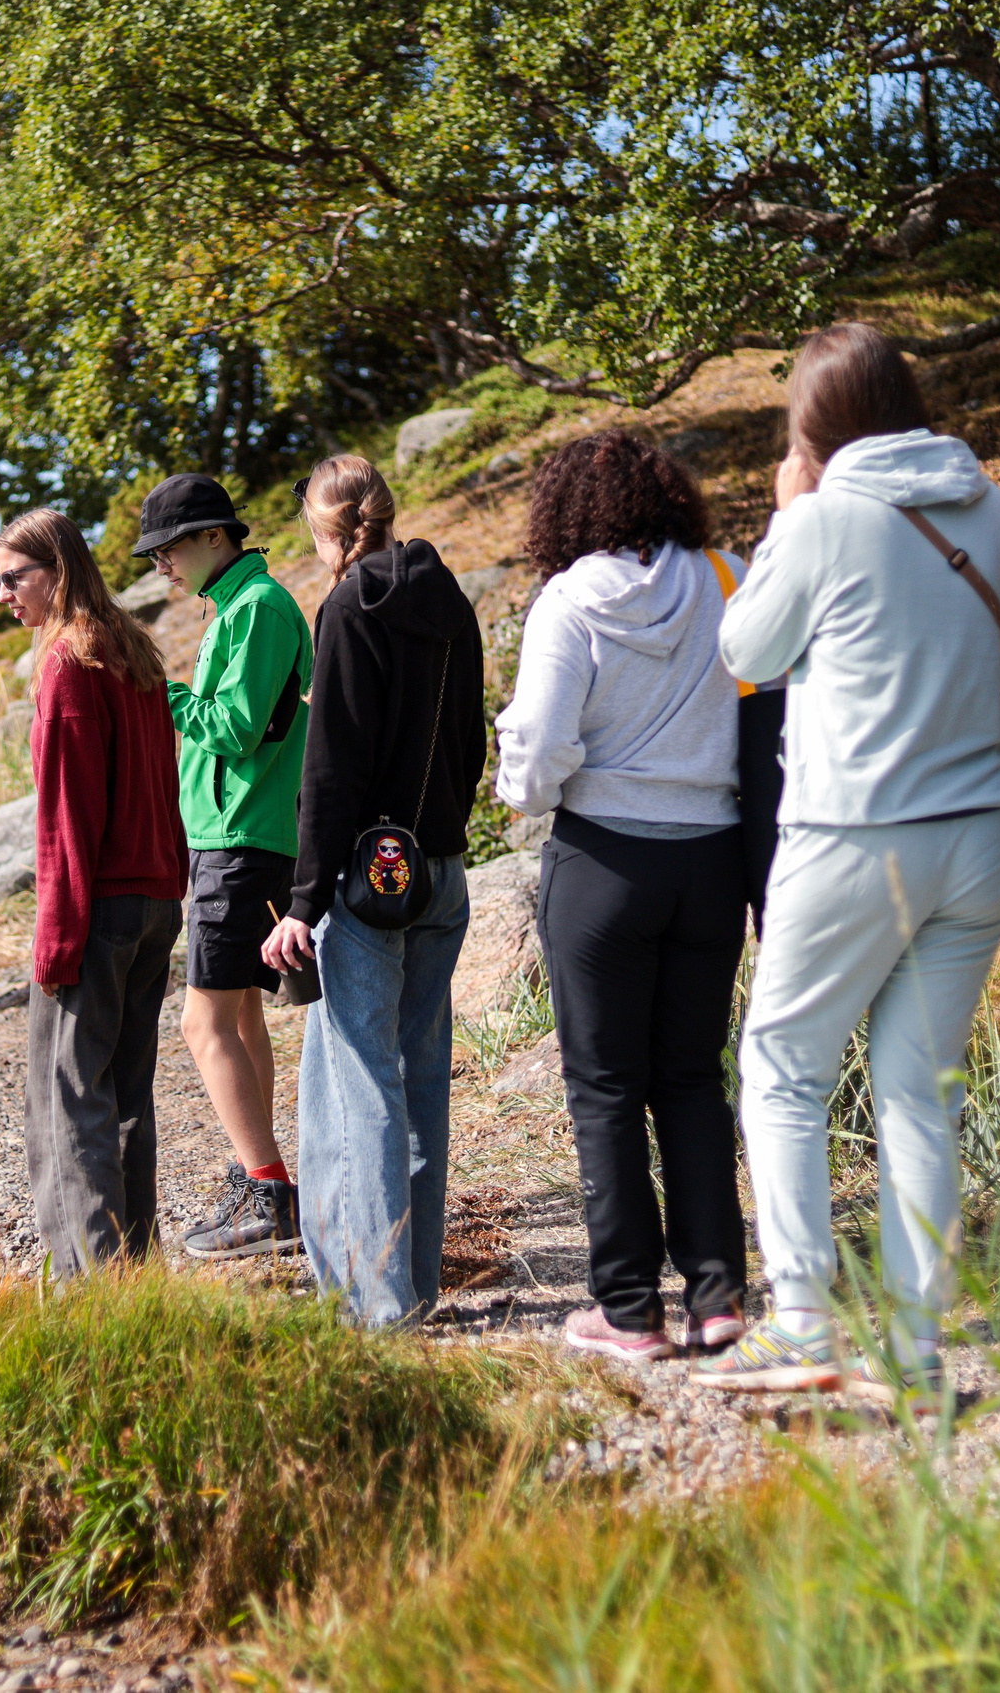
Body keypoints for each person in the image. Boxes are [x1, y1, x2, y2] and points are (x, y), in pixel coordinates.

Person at [698, 325, 1000, 1401]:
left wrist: (784, 518)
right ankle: (914, 1349)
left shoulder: (819, 519)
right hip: (981, 834)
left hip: (854, 833)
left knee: (783, 1066)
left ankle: (803, 1323)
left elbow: (743, 652)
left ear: (811, 429)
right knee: (918, 1091)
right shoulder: (990, 507)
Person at [492, 431, 755, 1363]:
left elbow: (539, 754)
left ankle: (630, 1308)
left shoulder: (568, 602)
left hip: (603, 861)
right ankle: (718, 1297)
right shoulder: (727, 575)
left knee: (605, 1088)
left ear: (563, 516)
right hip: (713, 856)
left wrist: (518, 777)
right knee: (692, 1076)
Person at [262, 455, 485, 1328]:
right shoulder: (451, 599)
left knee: (359, 1089)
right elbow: (469, 741)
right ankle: (415, 1284)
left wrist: (302, 902)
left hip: (364, 883)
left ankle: (376, 1306)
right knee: (422, 1078)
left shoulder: (349, 607)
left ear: (326, 531)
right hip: (441, 871)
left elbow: (332, 770)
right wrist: (442, 838)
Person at [0, 508, 189, 1276]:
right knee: (127, 1096)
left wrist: (56, 938)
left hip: (99, 911)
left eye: (13, 577)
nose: (2, 594)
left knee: (68, 1101)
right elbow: (164, 782)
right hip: (153, 902)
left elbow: (66, 817)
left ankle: (96, 1291)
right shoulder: (131, 647)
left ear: (57, 572)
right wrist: (172, 878)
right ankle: (138, 1273)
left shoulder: (67, 663)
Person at [134, 474, 315, 1259]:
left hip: (241, 841)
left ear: (216, 536)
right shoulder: (238, 607)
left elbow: (237, 728)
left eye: (169, 549)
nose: (161, 565)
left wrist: (162, 696)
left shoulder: (258, 609)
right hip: (237, 835)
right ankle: (259, 1178)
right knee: (240, 1017)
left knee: (200, 1022)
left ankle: (268, 1192)